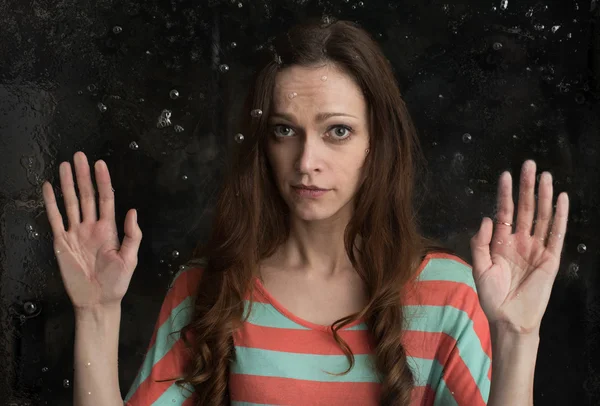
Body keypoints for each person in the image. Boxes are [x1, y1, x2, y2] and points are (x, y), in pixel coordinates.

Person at [41, 18, 569, 406]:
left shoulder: (450, 297)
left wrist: (518, 339)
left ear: (376, 143)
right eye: (285, 130)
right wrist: (95, 313)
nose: (306, 161)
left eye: (337, 131)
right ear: (264, 143)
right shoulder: (212, 288)